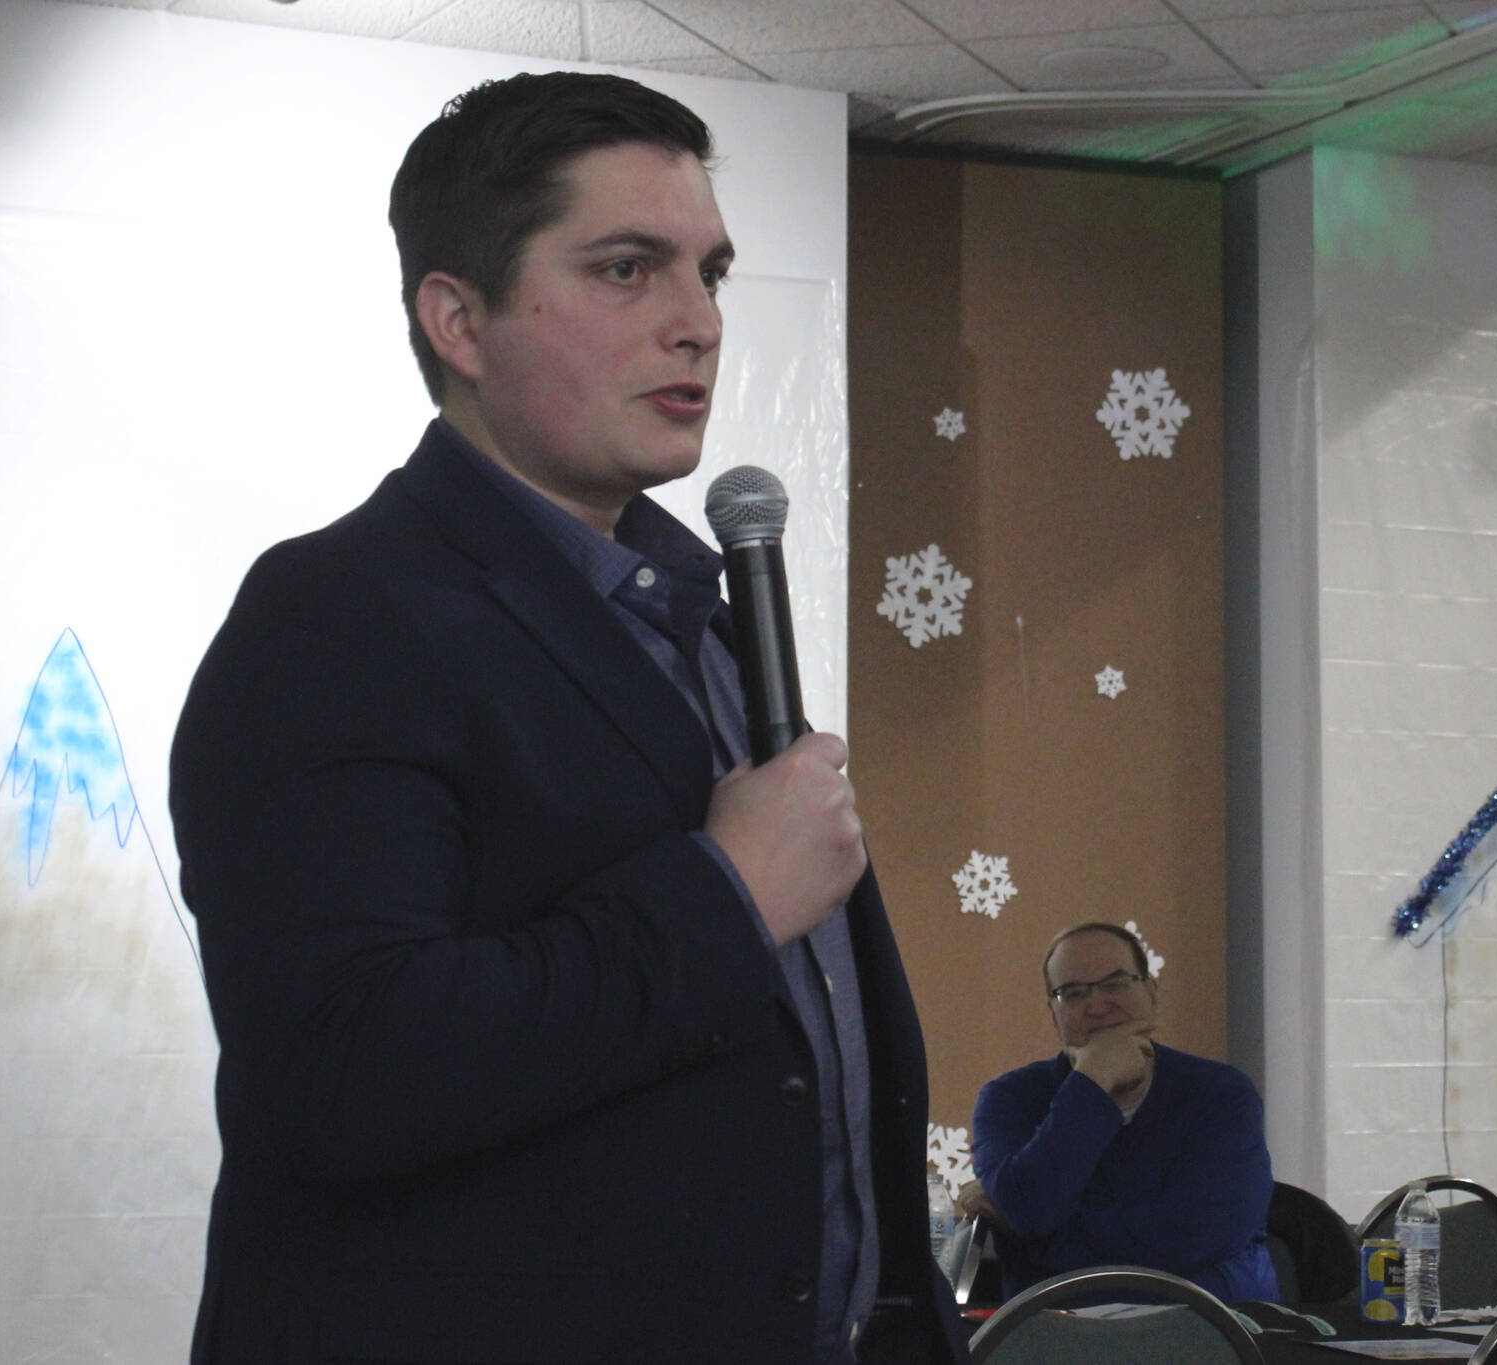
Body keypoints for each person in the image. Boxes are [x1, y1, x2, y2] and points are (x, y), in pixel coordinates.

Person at [169, 72, 964, 1365]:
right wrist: (727, 889)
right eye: (626, 270)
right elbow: (343, 1071)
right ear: (460, 320)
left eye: (710, 271)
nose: (699, 322)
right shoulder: (336, 616)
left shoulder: (697, 614)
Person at [957, 923, 1278, 1303]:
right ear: (1053, 1014)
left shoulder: (1223, 1094)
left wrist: (1040, 1244)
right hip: (1058, 1339)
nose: (1096, 1005)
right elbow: (1032, 1207)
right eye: (1073, 993)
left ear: (1151, 991)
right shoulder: (1008, 1099)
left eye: (1115, 984)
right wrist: (1092, 1083)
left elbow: (1202, 1235)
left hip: (1214, 1328)